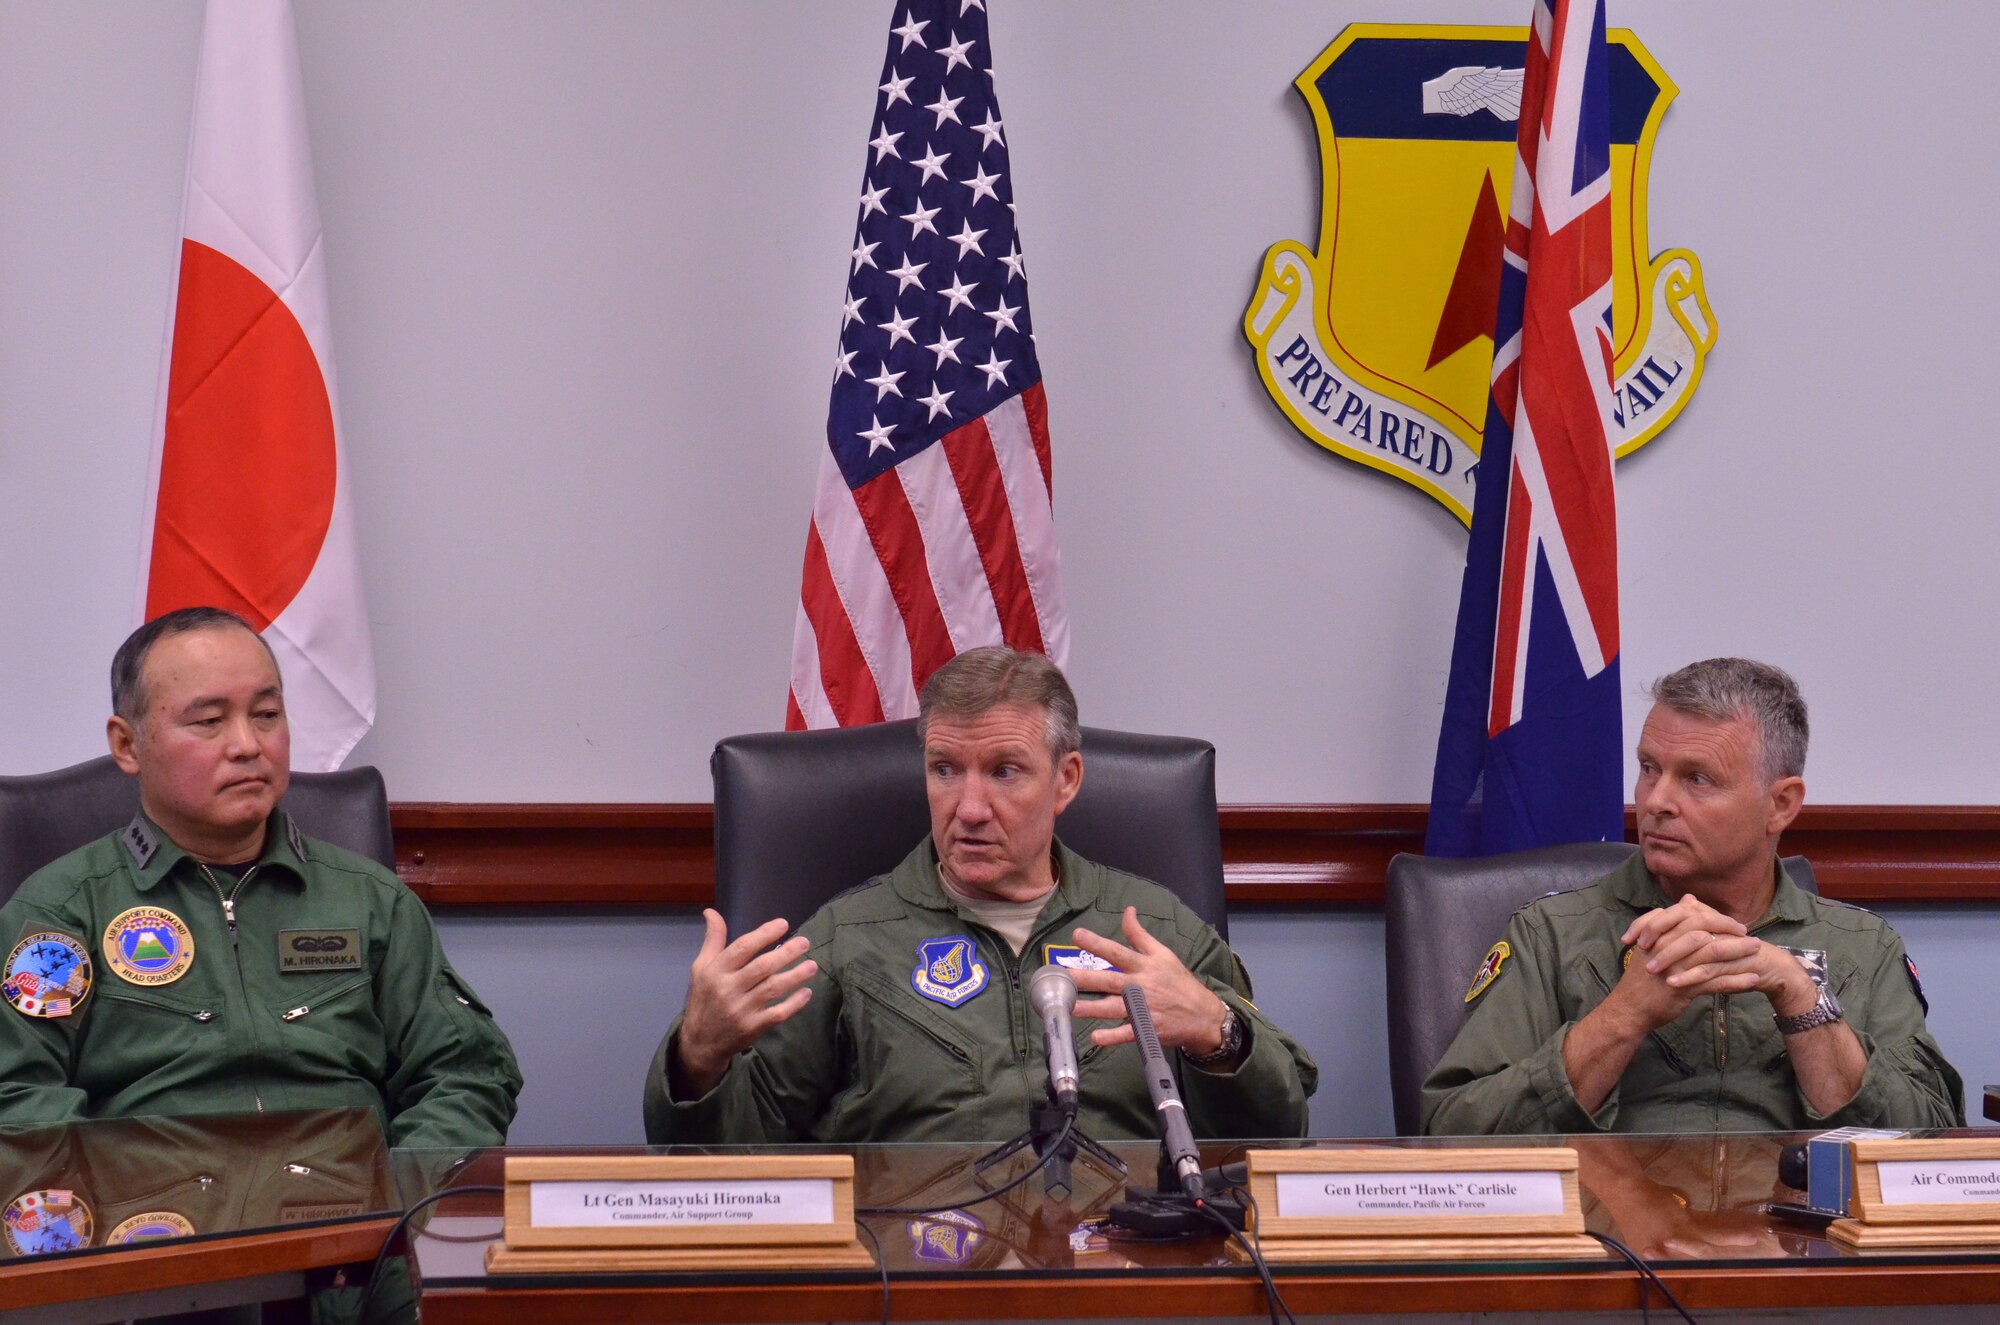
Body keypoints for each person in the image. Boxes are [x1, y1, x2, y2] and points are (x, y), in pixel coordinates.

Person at [644, 646, 1317, 1144]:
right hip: (911, 1275)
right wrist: (699, 1058)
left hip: (1122, 1268)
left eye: (1004, 771)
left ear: (1066, 779)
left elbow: (1282, 1132)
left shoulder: (1157, 928)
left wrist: (1219, 1035)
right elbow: (733, 1163)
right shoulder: (844, 940)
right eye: (944, 769)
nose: (968, 807)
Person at [0, 607, 521, 1147]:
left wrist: (402, 1197)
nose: (248, 744)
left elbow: (466, 1076)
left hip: (347, 1211)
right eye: (209, 721)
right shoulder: (61, 912)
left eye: (267, 713)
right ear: (128, 746)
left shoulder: (370, 900)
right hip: (156, 1218)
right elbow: (16, 1095)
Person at [1423, 658, 1963, 1135]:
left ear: (1781, 805)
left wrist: (1803, 1000)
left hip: (1801, 1240)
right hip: (1611, 1237)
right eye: (1649, 768)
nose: (1655, 801)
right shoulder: (1553, 934)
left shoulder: (1862, 948)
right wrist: (1623, 1016)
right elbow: (1452, 1132)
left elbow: (1930, 1144)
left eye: (1697, 779)